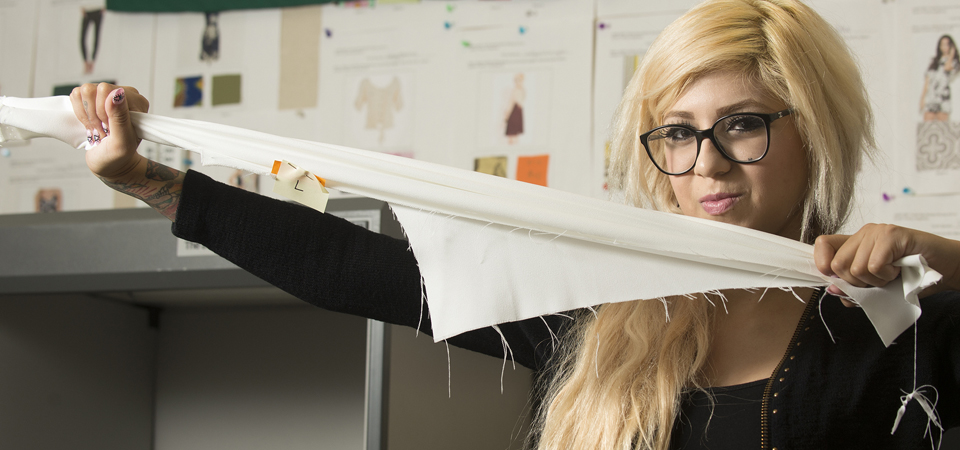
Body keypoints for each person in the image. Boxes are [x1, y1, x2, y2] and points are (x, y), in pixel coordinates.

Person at [68, 0, 960, 448]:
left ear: (816, 129)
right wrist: (150, 181)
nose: (708, 165)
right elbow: (356, 267)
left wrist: (957, 267)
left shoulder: (901, 320)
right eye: (678, 135)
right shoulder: (601, 309)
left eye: (743, 125)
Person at [919, 34, 959, 122]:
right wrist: (922, 98)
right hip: (931, 97)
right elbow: (927, 81)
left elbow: (947, 68)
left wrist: (952, 54)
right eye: (942, 44)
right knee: (928, 125)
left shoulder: (954, 62)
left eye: (947, 44)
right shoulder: (934, 61)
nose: (944, 47)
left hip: (943, 99)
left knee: (942, 128)